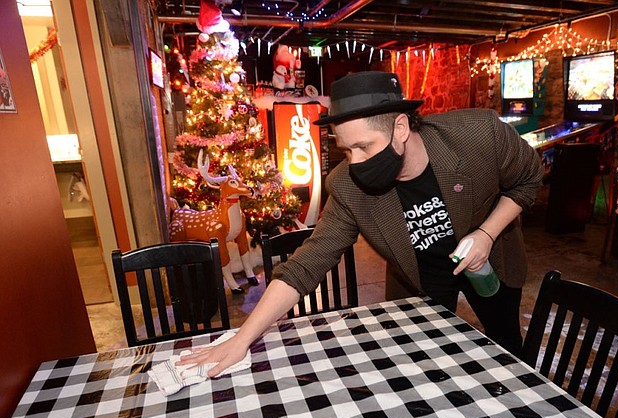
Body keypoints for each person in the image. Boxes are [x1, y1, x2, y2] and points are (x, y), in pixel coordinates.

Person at [180, 71, 543, 375]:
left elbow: (529, 177)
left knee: (507, 352)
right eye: (346, 150)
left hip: (491, 262)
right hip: (419, 280)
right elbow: (307, 264)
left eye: (365, 148)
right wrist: (241, 340)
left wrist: (486, 233)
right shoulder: (348, 185)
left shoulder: (478, 134)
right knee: (421, 366)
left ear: (400, 127)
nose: (355, 163)